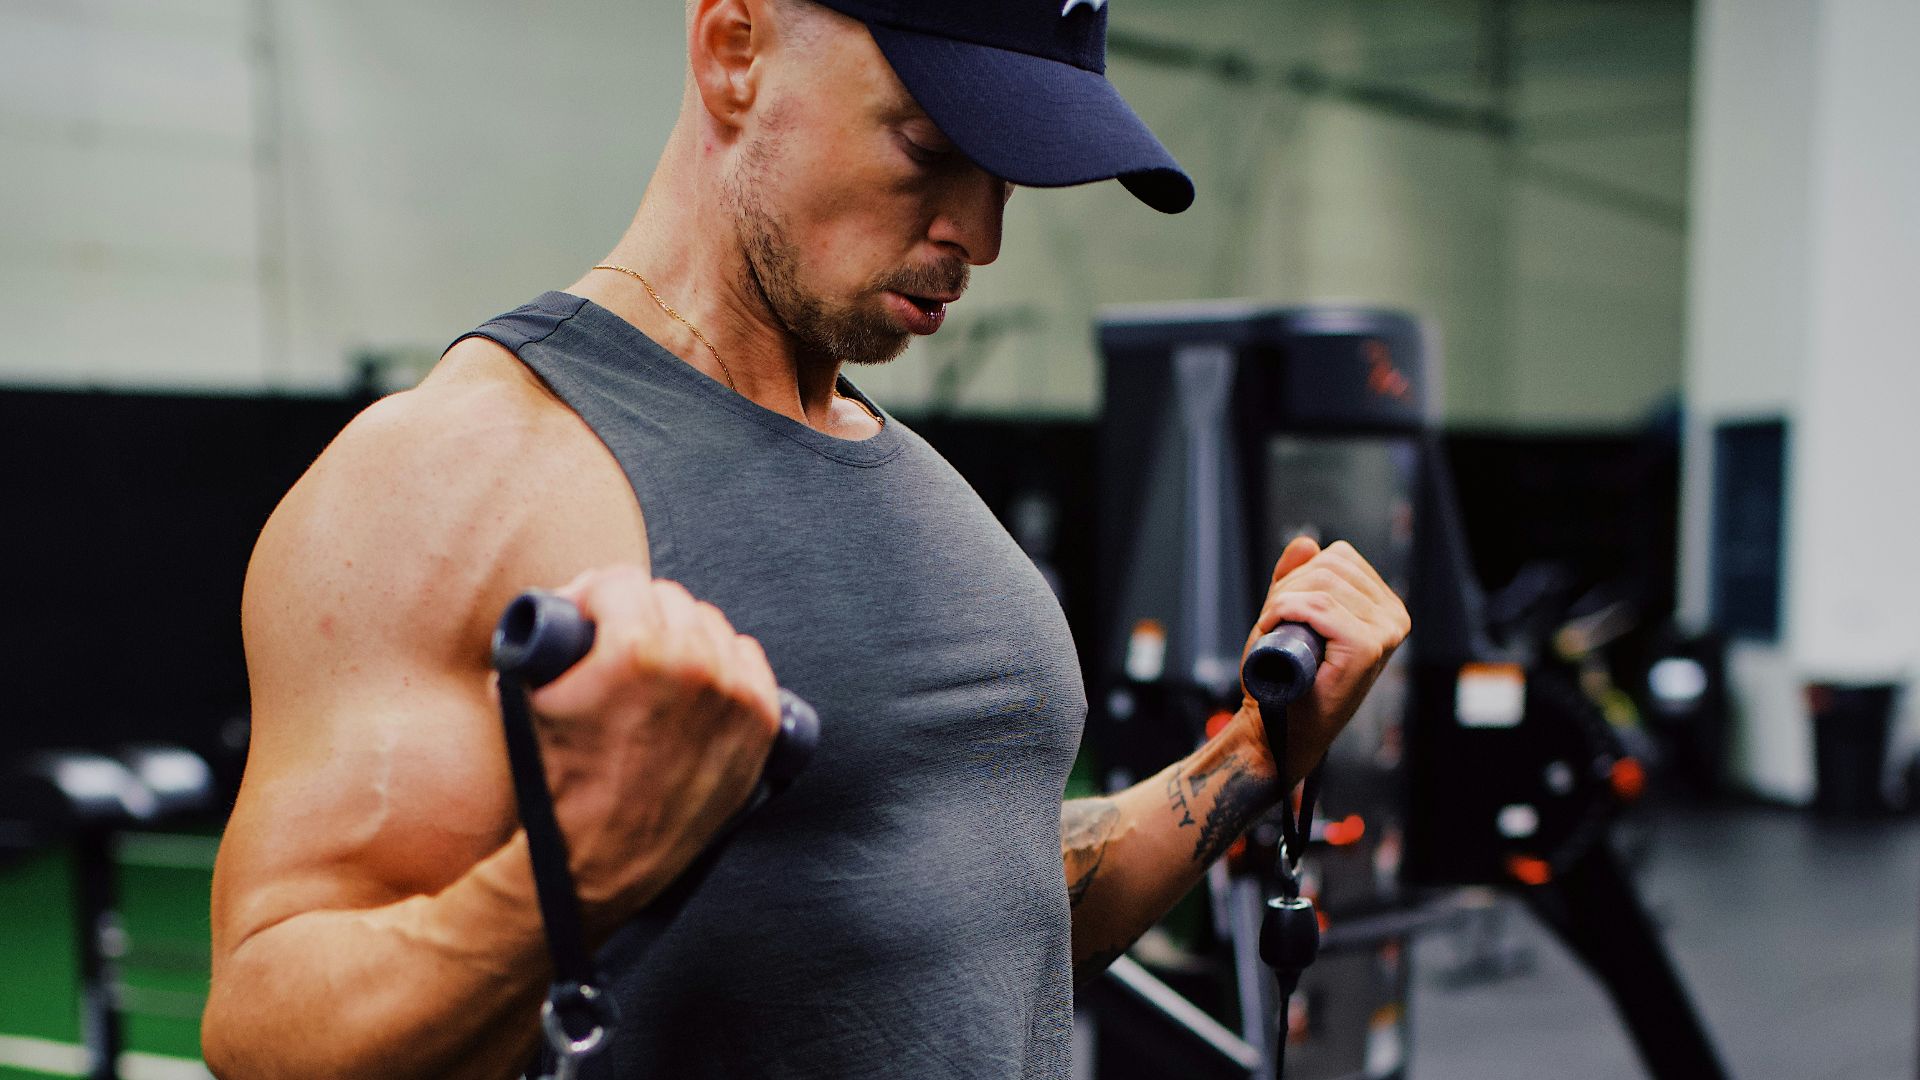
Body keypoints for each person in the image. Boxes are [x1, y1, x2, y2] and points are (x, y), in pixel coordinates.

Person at [201, 1, 1411, 1077]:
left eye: (1012, 178)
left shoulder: (912, 479)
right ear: (734, 51)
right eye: (931, 149)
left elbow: (975, 920)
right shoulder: (454, 473)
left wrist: (1254, 758)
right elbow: (270, 1037)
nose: (981, 235)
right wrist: (577, 875)